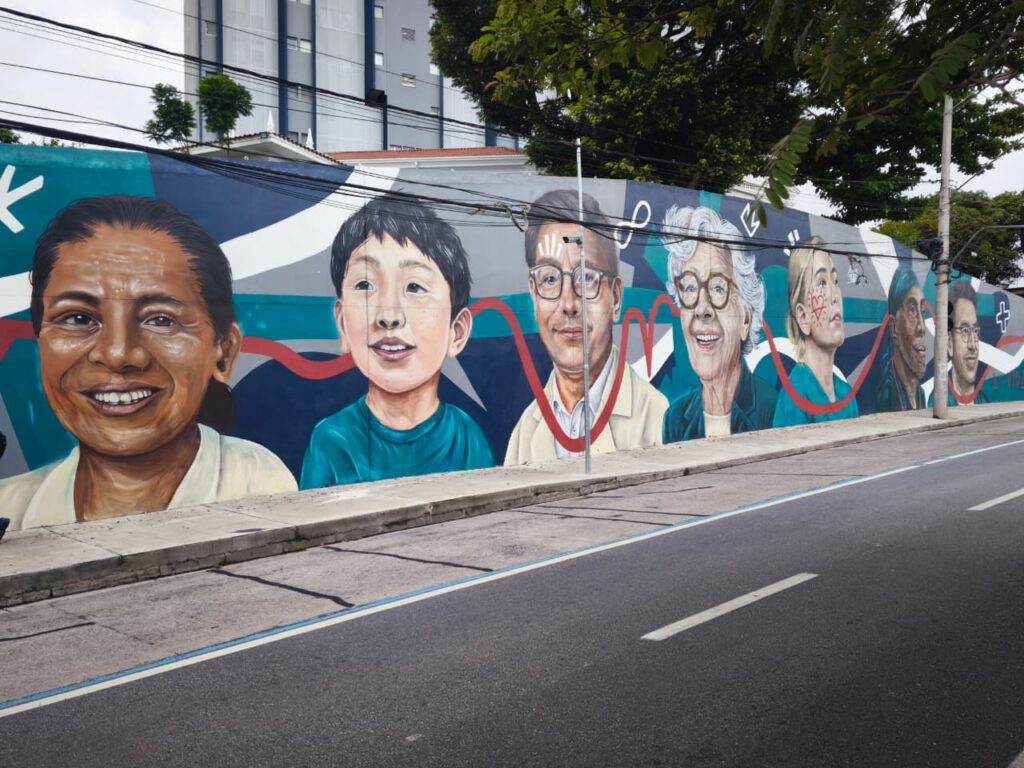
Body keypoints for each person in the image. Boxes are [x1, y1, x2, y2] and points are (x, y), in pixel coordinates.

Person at [0, 195, 297, 530]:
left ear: (223, 352)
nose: (118, 354)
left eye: (160, 320)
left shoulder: (257, 482)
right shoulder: (12, 508)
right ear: (41, 343)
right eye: (79, 318)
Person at [301, 196, 494, 488]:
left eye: (415, 287)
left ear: (457, 332)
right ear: (342, 325)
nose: (388, 316)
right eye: (365, 285)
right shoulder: (332, 440)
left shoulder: (466, 438)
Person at [504, 189, 667, 464]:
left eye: (587, 278)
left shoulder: (657, 416)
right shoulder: (524, 433)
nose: (569, 303)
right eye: (550, 280)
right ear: (533, 294)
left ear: (615, 298)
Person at [661, 206, 776, 441]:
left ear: (745, 318)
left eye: (718, 288)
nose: (702, 309)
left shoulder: (773, 410)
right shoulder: (674, 418)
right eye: (690, 288)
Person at [773, 238, 860, 426]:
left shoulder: (846, 395)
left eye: (835, 281)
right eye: (821, 283)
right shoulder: (795, 397)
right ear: (803, 317)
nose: (834, 295)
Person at [875, 264, 927, 411]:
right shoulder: (887, 394)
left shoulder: (920, 393)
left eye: (922, 311)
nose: (922, 327)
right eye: (912, 311)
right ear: (894, 327)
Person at [930, 280, 987, 406]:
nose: (973, 345)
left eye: (976, 331)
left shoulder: (983, 400)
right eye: (965, 331)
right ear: (949, 343)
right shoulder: (938, 401)